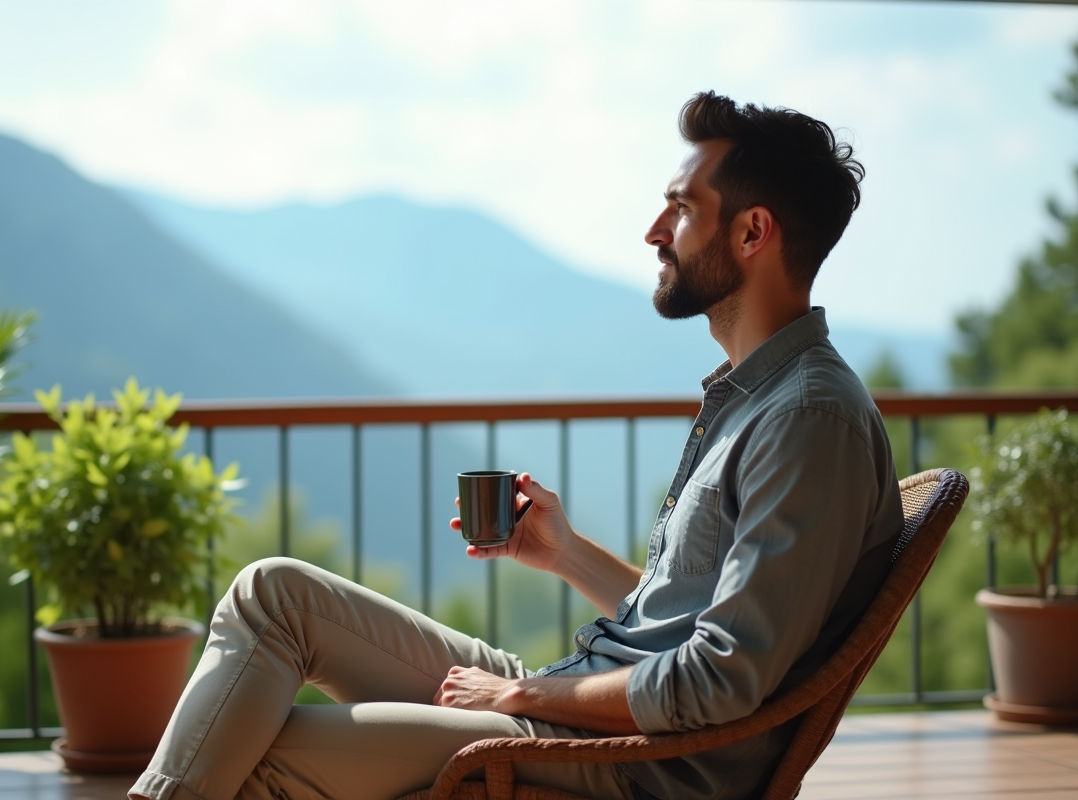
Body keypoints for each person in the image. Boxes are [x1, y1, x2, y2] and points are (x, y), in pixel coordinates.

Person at [128, 91, 904, 800]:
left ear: (752, 231)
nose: (653, 231)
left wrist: (520, 696)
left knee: (245, 749)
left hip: (632, 761)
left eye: (680, 208)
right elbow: (682, 617)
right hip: (584, 702)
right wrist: (567, 554)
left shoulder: (809, 420)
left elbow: (719, 682)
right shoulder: (758, 398)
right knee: (275, 595)